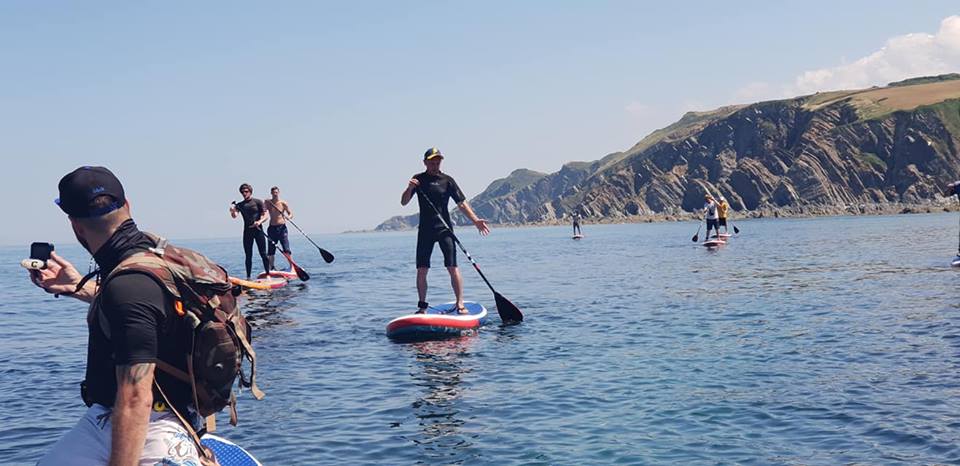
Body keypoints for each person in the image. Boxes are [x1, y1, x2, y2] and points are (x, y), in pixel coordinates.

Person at [30, 166, 201, 465]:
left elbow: (135, 397)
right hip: (107, 416)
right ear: (128, 206)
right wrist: (77, 288)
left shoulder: (127, 285)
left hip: (156, 422)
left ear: (76, 227)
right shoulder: (152, 255)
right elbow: (146, 313)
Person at [400, 147, 490, 314]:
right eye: (432, 162)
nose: (435, 164)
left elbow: (461, 203)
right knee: (422, 269)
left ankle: (460, 303)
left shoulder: (447, 180)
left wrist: (475, 220)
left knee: (452, 266)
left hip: (445, 230)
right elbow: (404, 202)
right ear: (425, 162)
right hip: (425, 231)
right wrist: (409, 188)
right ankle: (422, 307)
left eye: (438, 161)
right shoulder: (417, 179)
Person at [230, 183, 270, 278]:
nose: (244, 193)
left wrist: (259, 221)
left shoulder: (258, 202)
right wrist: (232, 210)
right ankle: (248, 277)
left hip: (258, 230)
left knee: (263, 253)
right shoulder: (240, 205)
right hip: (247, 232)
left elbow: (266, 215)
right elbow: (234, 216)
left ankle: (268, 274)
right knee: (248, 255)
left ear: (250, 192)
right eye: (242, 192)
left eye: (246, 191)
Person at [265, 186, 294, 272]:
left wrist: (289, 217)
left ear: (278, 193)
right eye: (273, 193)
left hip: (282, 228)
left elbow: (290, 213)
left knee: (286, 248)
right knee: (271, 250)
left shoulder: (283, 203)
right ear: (271, 193)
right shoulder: (268, 203)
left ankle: (292, 266)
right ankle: (271, 268)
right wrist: (265, 202)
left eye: (276, 193)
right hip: (272, 228)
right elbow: (263, 210)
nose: (275, 194)